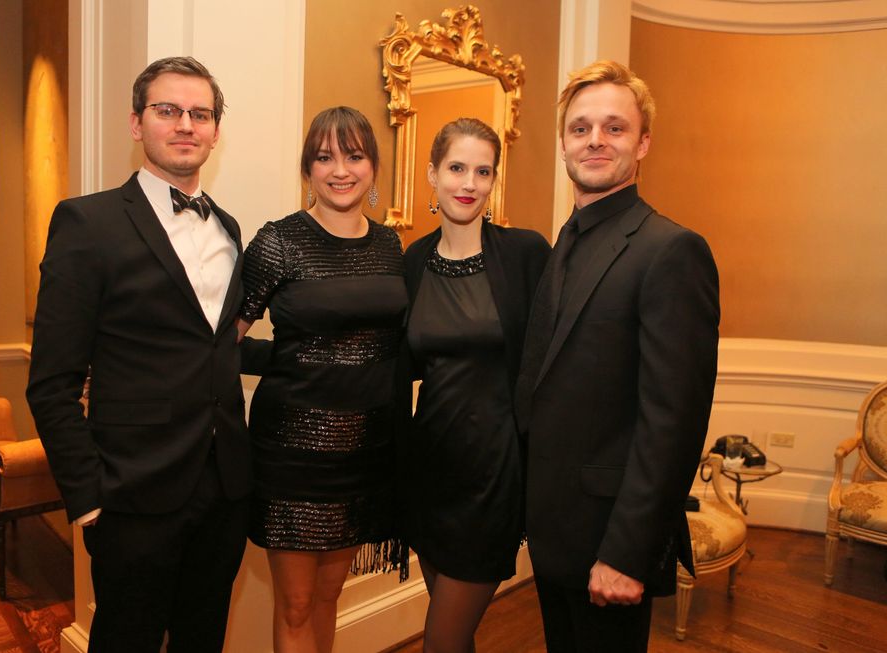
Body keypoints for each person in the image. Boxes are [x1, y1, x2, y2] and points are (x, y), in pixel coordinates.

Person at [27, 56, 263, 652]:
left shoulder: (229, 229)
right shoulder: (88, 222)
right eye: (168, 111)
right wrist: (87, 501)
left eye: (200, 114)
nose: (185, 124)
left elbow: (216, 346)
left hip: (223, 489)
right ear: (137, 123)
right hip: (130, 497)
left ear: (214, 130)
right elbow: (52, 381)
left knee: (201, 639)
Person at [515, 60, 720, 652]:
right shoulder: (564, 240)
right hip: (554, 532)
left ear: (644, 141)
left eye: (615, 127)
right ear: (562, 145)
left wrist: (627, 555)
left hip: (611, 543)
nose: (595, 141)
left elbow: (672, 422)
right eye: (580, 129)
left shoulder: (671, 250)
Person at [237, 106, 407, 653]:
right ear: (307, 169)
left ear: (374, 168)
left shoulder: (390, 246)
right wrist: (292, 359)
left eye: (355, 156)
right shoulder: (279, 242)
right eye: (325, 157)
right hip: (293, 453)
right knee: (296, 603)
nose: (341, 170)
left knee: (333, 593)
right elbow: (224, 341)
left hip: (365, 451)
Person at [402, 118, 549, 652]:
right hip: (430, 469)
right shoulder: (414, 262)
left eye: (482, 171)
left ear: (493, 181)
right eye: (457, 168)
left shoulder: (526, 254)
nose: (468, 183)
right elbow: (400, 364)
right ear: (432, 175)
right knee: (453, 638)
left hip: (494, 474)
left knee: (440, 642)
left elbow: (555, 360)